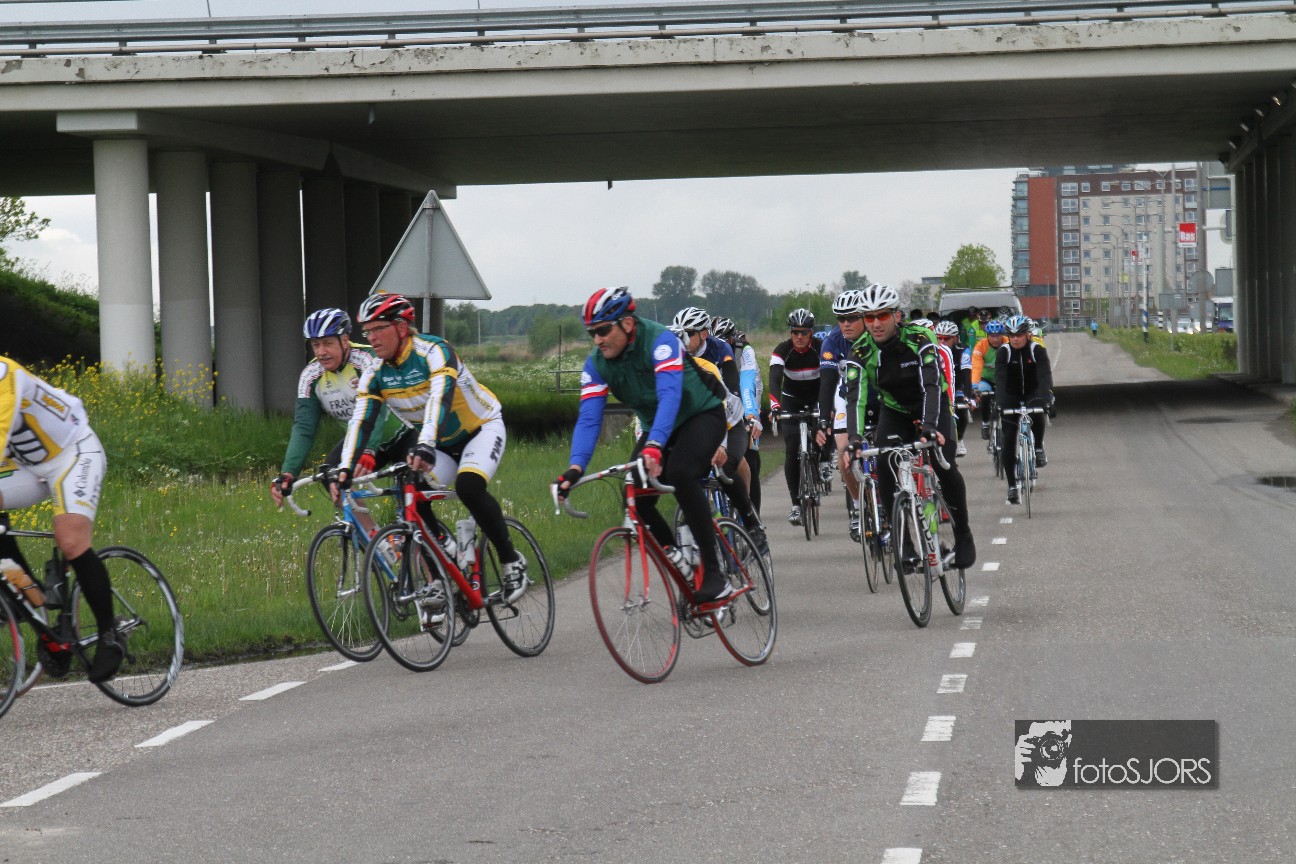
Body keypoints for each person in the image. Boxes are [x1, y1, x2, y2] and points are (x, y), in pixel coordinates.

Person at [334, 293, 528, 602]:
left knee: (469, 486)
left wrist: (424, 444)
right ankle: (441, 570)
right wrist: (346, 466)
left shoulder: (434, 351)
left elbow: (440, 398)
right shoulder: (375, 372)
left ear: (401, 327)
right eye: (367, 331)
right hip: (440, 444)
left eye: (378, 329)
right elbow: (361, 421)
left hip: (481, 429)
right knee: (411, 492)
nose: (371, 338)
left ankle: (511, 561)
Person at [554, 287, 734, 608]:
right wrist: (575, 467)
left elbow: (669, 395)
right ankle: (678, 561)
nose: (597, 340)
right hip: (658, 429)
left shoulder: (660, 340)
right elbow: (589, 419)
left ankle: (715, 575)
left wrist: (654, 445)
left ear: (626, 323)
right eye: (592, 333)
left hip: (701, 414)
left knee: (681, 473)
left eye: (603, 330)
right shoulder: (597, 363)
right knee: (635, 494)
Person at [0, 356, 122, 682]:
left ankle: (110, 635)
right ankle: (30, 598)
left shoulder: (4, 374)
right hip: (26, 465)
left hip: (73, 453)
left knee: (70, 540)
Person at [850, 284, 976, 569]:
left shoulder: (920, 337)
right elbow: (855, 397)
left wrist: (930, 426)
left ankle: (963, 535)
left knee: (944, 464)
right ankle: (903, 544)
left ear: (897, 316)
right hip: (895, 410)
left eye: (882, 315)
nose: (876, 323)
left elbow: (931, 383)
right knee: (884, 464)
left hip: (933, 405)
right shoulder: (861, 350)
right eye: (869, 317)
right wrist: (855, 439)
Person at [270, 308, 407, 511]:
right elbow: (304, 427)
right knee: (331, 476)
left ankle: (423, 530)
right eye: (316, 345)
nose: (321, 352)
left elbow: (376, 410)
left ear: (344, 341)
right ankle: (366, 530)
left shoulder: (367, 360)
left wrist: (368, 449)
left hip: (402, 435)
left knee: (412, 500)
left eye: (327, 343)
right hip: (360, 439)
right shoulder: (311, 376)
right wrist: (289, 472)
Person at [668, 307, 767, 554]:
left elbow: (733, 385)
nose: (684, 340)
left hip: (729, 418)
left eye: (689, 333)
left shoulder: (718, 351)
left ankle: (750, 518)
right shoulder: (671, 364)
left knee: (728, 466)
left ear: (703, 334)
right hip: (698, 420)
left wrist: (749, 415)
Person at [817, 290, 866, 540]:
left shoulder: (874, 336)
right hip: (846, 396)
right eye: (841, 318)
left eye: (852, 318)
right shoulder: (833, 341)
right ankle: (857, 506)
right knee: (843, 452)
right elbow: (827, 382)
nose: (846, 323)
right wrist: (823, 419)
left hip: (875, 396)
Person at [768, 308, 823, 526]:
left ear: (811, 333)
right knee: (791, 448)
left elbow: (830, 378)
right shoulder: (782, 350)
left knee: (821, 434)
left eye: (804, 332)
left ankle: (821, 462)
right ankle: (796, 505)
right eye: (795, 332)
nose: (799, 336)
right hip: (791, 399)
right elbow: (775, 379)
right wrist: (775, 406)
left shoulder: (821, 348)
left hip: (817, 397)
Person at [996, 314, 1055, 505]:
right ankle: (1012, 486)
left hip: (1032, 391)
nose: (1015, 339)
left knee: (1037, 410)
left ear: (1027, 334)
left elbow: (1044, 375)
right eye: (1012, 335)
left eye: (1019, 335)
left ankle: (1038, 447)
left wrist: (1047, 399)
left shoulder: (1036, 349)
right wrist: (999, 403)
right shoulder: (1004, 352)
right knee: (1008, 439)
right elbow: (1000, 379)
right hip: (1011, 394)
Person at [712, 316, 765, 517]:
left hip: (748, 397)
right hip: (724, 401)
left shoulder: (745, 351)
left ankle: (753, 517)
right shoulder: (710, 350)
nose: (721, 345)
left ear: (732, 339)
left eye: (725, 341)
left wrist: (750, 416)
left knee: (749, 456)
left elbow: (746, 385)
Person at [933, 319, 974, 457]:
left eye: (947, 339)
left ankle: (960, 439)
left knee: (962, 409)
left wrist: (968, 396)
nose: (942, 342)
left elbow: (967, 374)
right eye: (939, 338)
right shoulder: (931, 350)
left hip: (957, 386)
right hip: (938, 387)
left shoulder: (963, 351)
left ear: (955, 339)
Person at [970, 318, 1007, 440]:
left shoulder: (1008, 343)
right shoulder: (981, 346)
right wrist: (974, 386)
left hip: (1003, 377)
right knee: (984, 394)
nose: (995, 339)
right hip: (986, 377)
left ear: (1003, 335)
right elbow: (976, 367)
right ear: (987, 335)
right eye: (992, 336)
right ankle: (985, 423)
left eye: (998, 335)